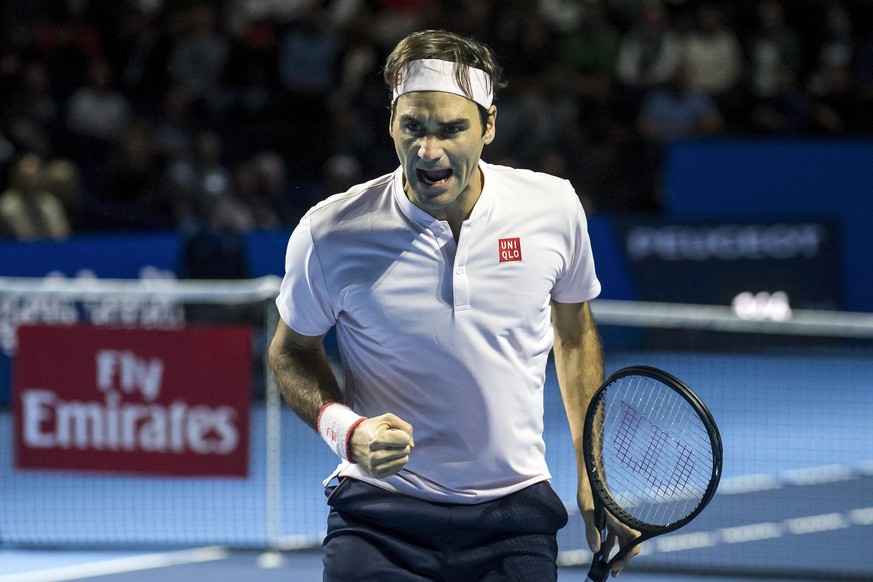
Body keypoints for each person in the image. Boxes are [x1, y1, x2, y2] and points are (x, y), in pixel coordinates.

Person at [268, 29, 640, 581]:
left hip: (514, 517)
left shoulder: (553, 207)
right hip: (379, 519)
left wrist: (594, 474)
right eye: (413, 127)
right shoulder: (331, 232)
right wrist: (346, 431)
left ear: (489, 125)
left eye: (452, 129)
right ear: (391, 123)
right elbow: (290, 352)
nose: (429, 150)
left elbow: (575, 334)